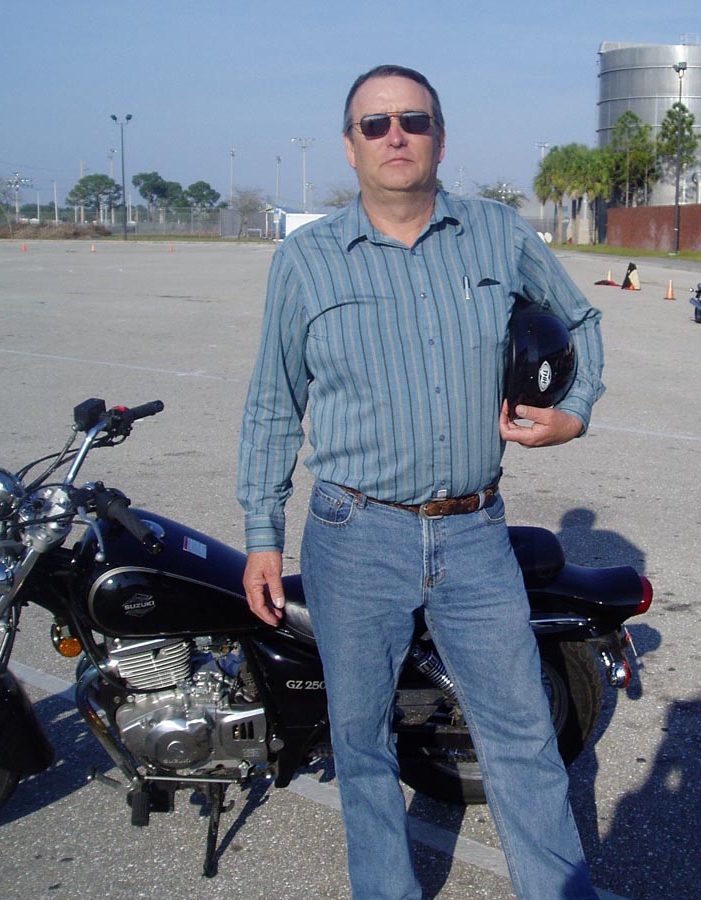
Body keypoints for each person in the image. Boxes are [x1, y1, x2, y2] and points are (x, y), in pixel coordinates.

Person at [237, 64, 605, 900]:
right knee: (361, 741)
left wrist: (574, 412)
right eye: (375, 124)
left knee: (521, 737)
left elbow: (581, 319)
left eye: (413, 120)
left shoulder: (496, 234)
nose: (395, 136)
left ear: (441, 136)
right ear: (350, 145)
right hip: (354, 533)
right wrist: (262, 533)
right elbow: (272, 402)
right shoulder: (306, 260)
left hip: (475, 534)